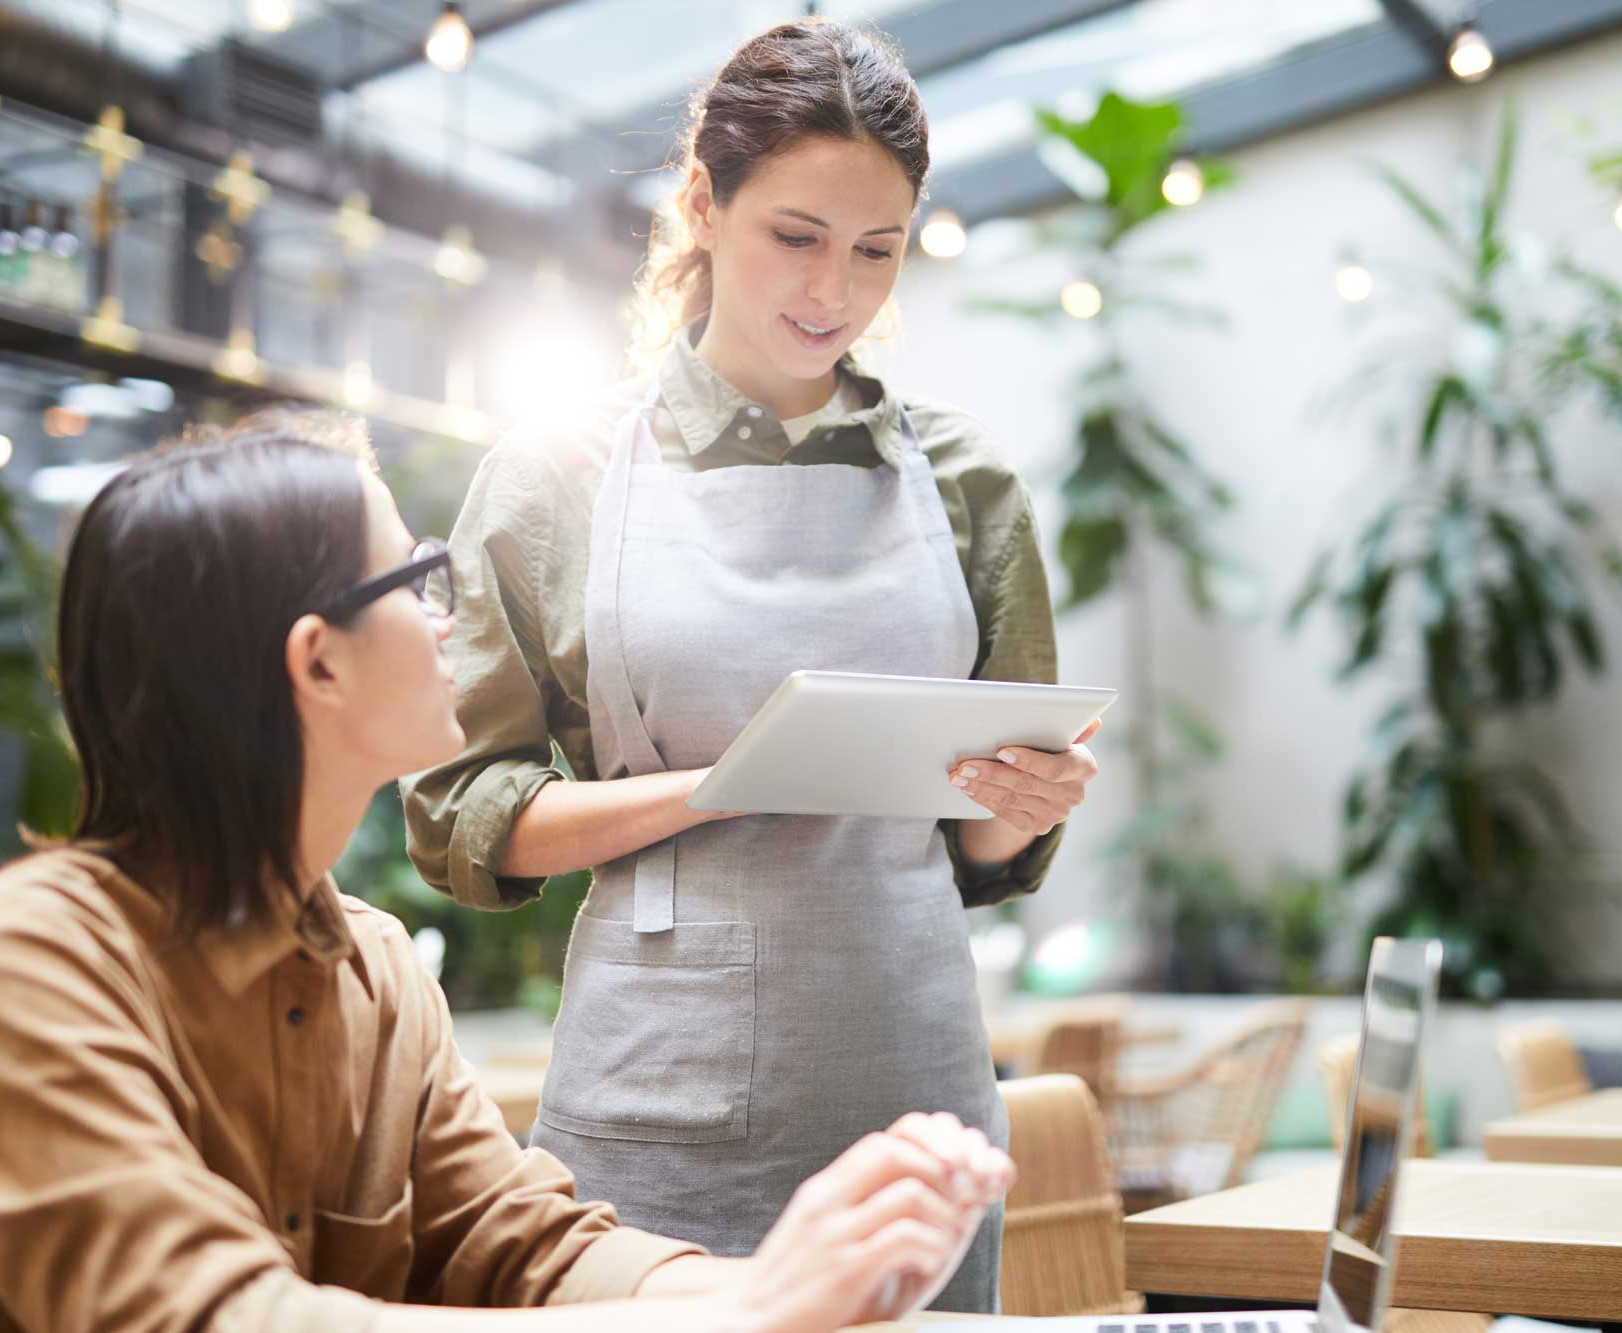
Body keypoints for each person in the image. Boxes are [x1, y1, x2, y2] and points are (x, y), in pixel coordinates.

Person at [0, 414, 1013, 1333]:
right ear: (319, 662)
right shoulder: (40, 952)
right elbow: (213, 1315)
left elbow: (521, 1247)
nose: (444, 617)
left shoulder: (372, 967)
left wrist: (800, 1275)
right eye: (416, 579)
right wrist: (749, 1310)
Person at [401, 17, 1099, 1312]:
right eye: (796, 235)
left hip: (917, 1114)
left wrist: (1023, 804)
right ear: (702, 204)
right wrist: (720, 788)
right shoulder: (555, 476)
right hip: (653, 1110)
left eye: (876, 249)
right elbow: (457, 815)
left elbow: (977, 847)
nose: (835, 289)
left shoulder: (966, 481)